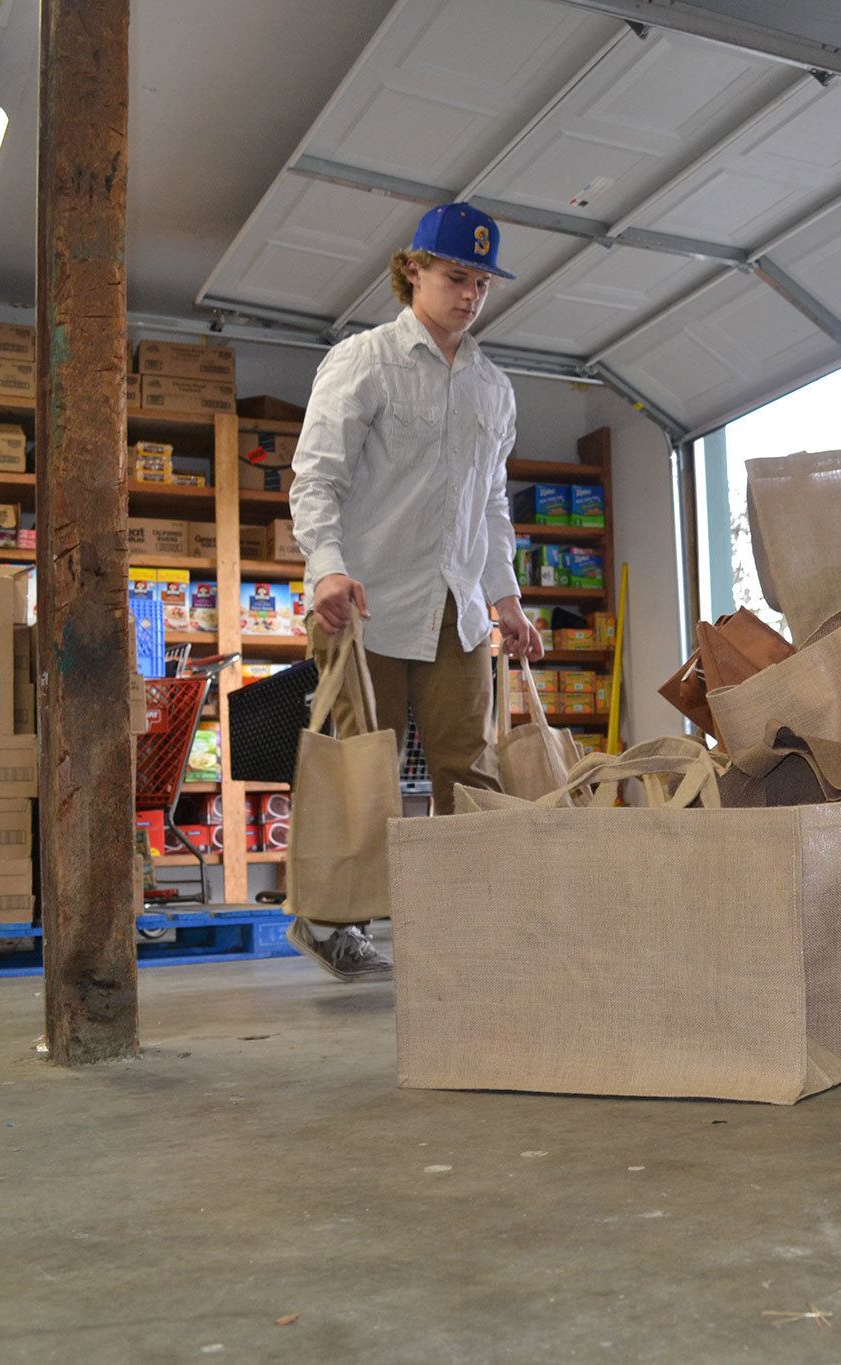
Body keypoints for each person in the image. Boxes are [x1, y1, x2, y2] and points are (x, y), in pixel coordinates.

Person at [284, 202, 544, 981]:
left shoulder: (494, 389)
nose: (470, 295)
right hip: (362, 605)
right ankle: (335, 922)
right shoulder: (364, 361)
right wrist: (327, 567)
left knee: (470, 766)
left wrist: (506, 600)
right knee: (363, 767)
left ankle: (465, 919)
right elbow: (316, 478)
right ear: (414, 271)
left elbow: (490, 506)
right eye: (456, 277)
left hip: (456, 611)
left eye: (482, 283)